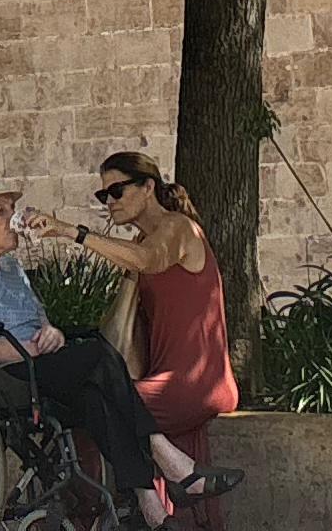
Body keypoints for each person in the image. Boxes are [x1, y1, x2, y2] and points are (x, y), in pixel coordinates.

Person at [0, 175, 178, 531]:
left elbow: (41, 320)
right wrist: (27, 347)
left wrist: (51, 333)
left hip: (39, 365)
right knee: (96, 355)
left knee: (95, 397)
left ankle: (149, 502)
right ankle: (161, 453)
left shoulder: (14, 269)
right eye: (2, 211)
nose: (13, 217)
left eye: (12, 209)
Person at [72, 153, 237, 502]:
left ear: (148, 187)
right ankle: (153, 505)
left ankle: (106, 511)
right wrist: (130, 278)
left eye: (116, 191)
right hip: (162, 380)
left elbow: (152, 259)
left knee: (93, 410)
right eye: (104, 196)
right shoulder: (137, 247)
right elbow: (116, 336)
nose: (110, 203)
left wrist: (74, 234)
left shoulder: (179, 228)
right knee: (89, 402)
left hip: (198, 382)